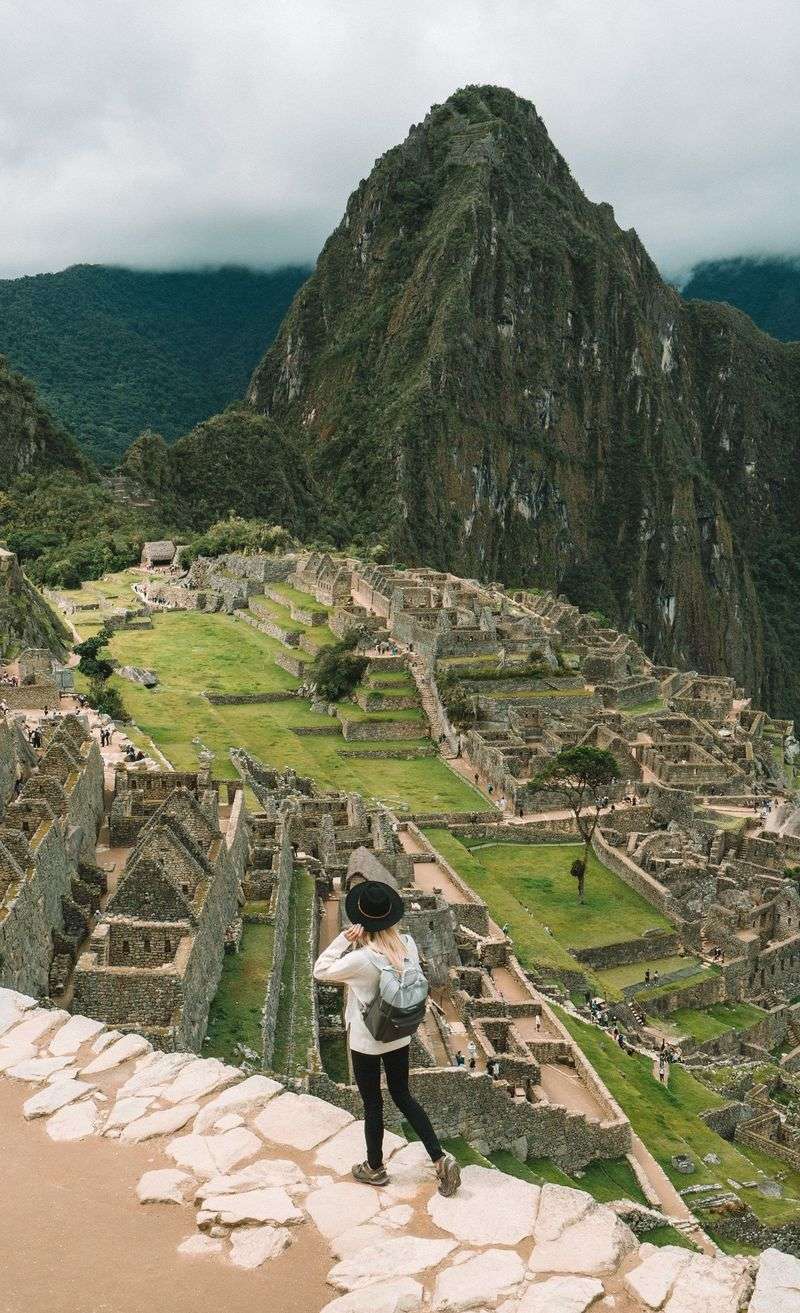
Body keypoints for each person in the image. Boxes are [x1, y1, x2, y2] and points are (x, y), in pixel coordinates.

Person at [313, 879, 460, 1196]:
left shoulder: (361, 960)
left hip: (367, 1040)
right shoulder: (406, 943)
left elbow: (320, 970)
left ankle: (375, 1167)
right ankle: (438, 1157)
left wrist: (343, 939)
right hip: (400, 1034)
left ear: (360, 921)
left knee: (373, 1104)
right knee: (402, 1095)